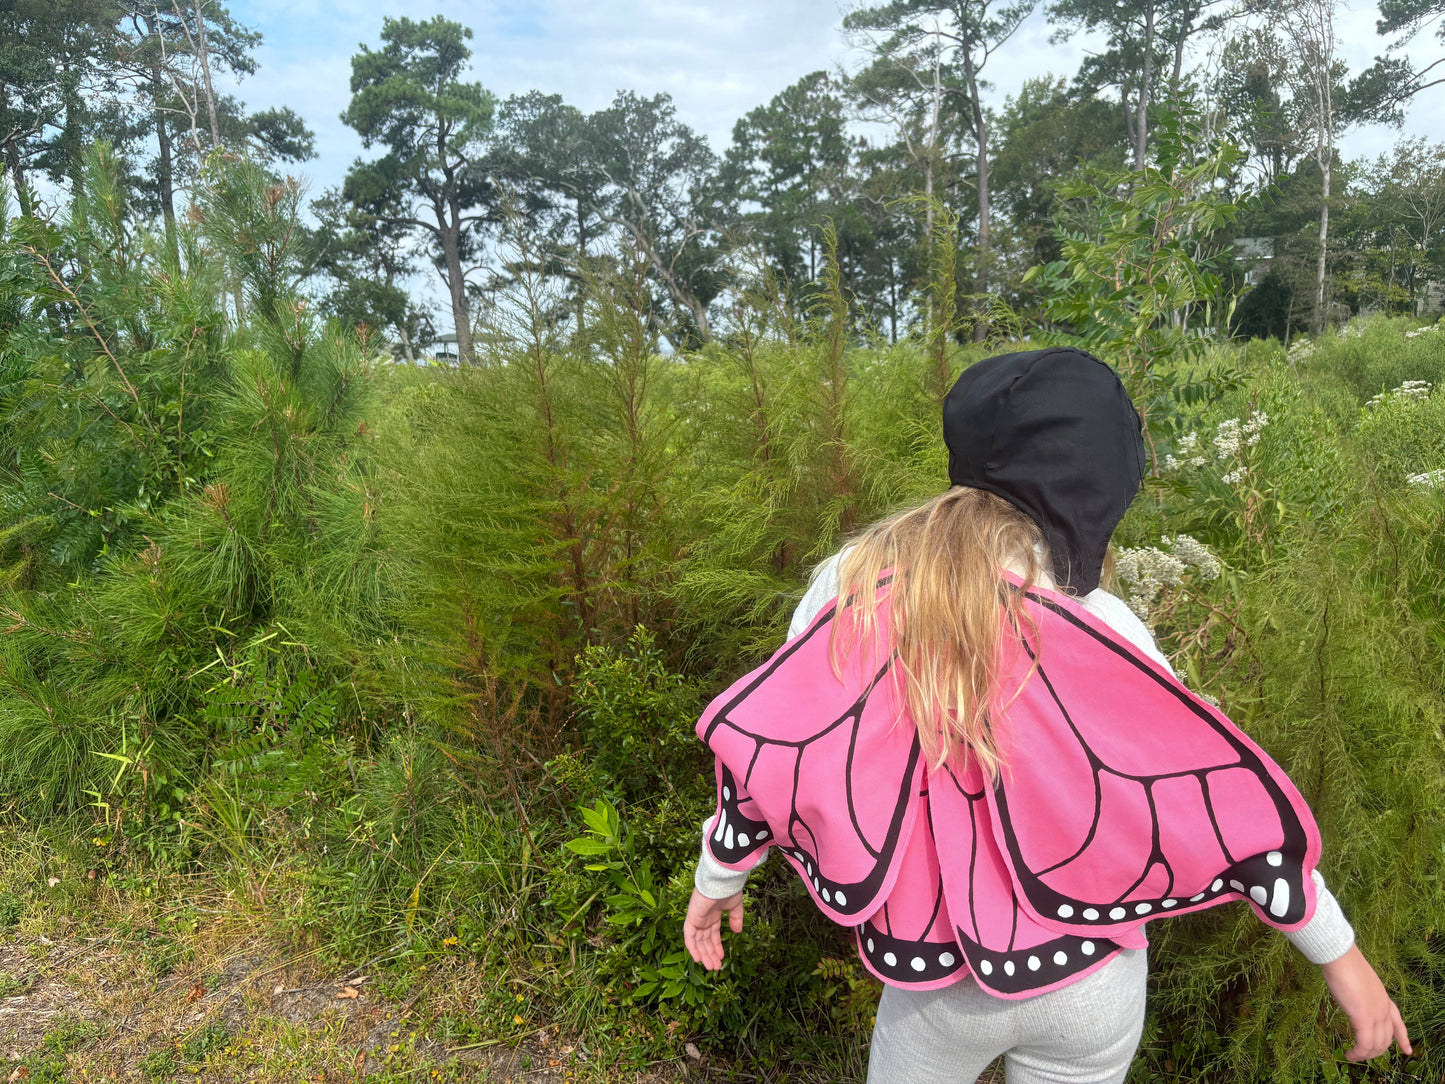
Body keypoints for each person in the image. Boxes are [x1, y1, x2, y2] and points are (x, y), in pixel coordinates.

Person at [681, 348, 1410, 1083]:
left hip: (936, 983)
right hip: (1093, 976)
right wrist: (1338, 954)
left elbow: (775, 754)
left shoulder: (852, 588)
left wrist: (718, 878)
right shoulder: (1104, 624)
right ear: (1101, 481)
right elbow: (1206, 796)